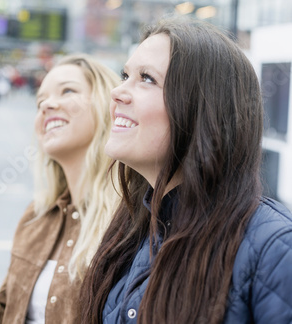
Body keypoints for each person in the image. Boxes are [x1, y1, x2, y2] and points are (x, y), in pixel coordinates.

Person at [79, 18, 292, 324]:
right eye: (125, 75)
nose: (117, 92)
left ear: (202, 109)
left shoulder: (274, 246)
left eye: (147, 79)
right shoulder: (133, 228)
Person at [0, 54, 120, 324]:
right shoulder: (36, 217)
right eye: (39, 100)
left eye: (68, 90)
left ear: (105, 104)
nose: (47, 105)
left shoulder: (131, 220)